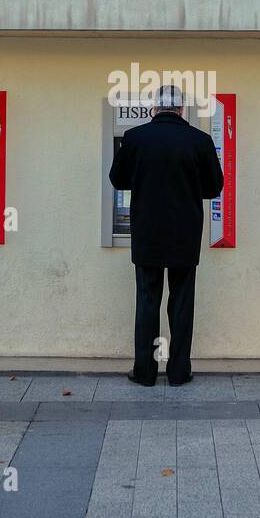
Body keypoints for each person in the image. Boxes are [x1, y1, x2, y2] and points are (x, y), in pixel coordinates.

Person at [108, 84, 224, 386]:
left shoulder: (135, 138)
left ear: (154, 109)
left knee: (147, 301)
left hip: (147, 233)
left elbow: (117, 179)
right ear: (182, 110)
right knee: (182, 302)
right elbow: (214, 187)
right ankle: (178, 371)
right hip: (185, 235)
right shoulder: (200, 141)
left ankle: (145, 372)